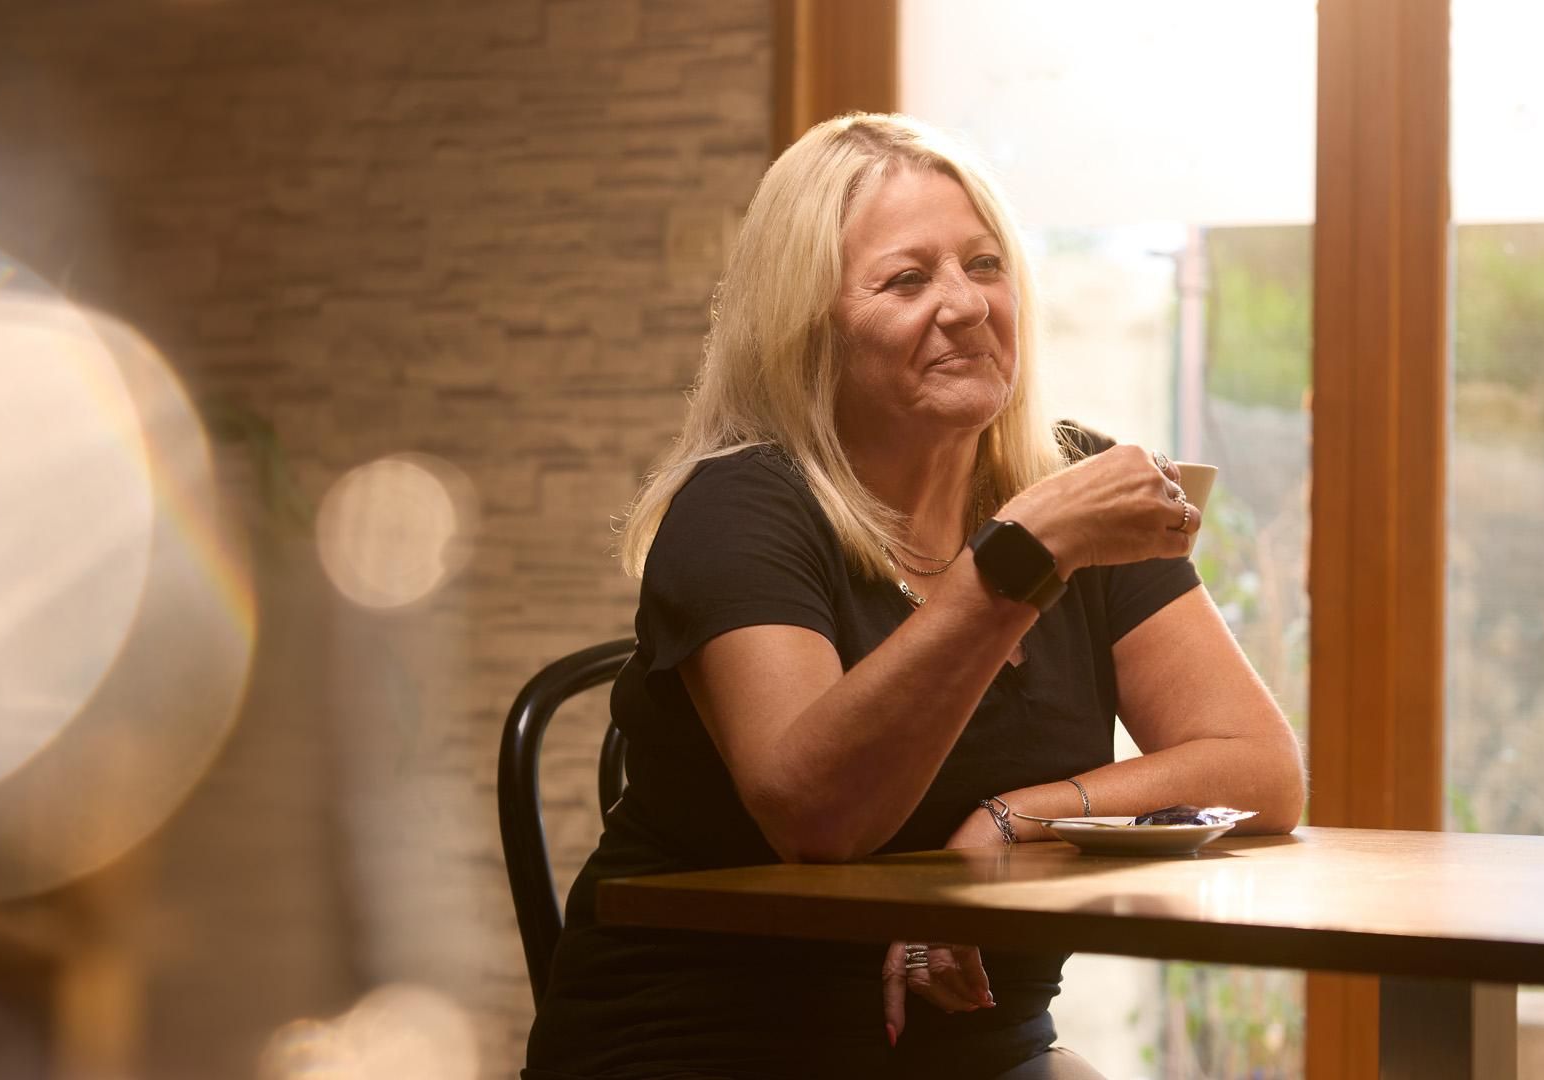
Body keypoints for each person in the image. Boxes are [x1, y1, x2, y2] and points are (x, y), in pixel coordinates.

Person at [523, 113, 1305, 1080]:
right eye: (906, 280)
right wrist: (1021, 560)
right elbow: (818, 819)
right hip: (710, 1045)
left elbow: (1259, 770)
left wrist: (1016, 820)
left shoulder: (1071, 487)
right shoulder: (740, 507)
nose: (966, 305)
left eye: (984, 265)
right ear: (808, 325)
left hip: (985, 1054)